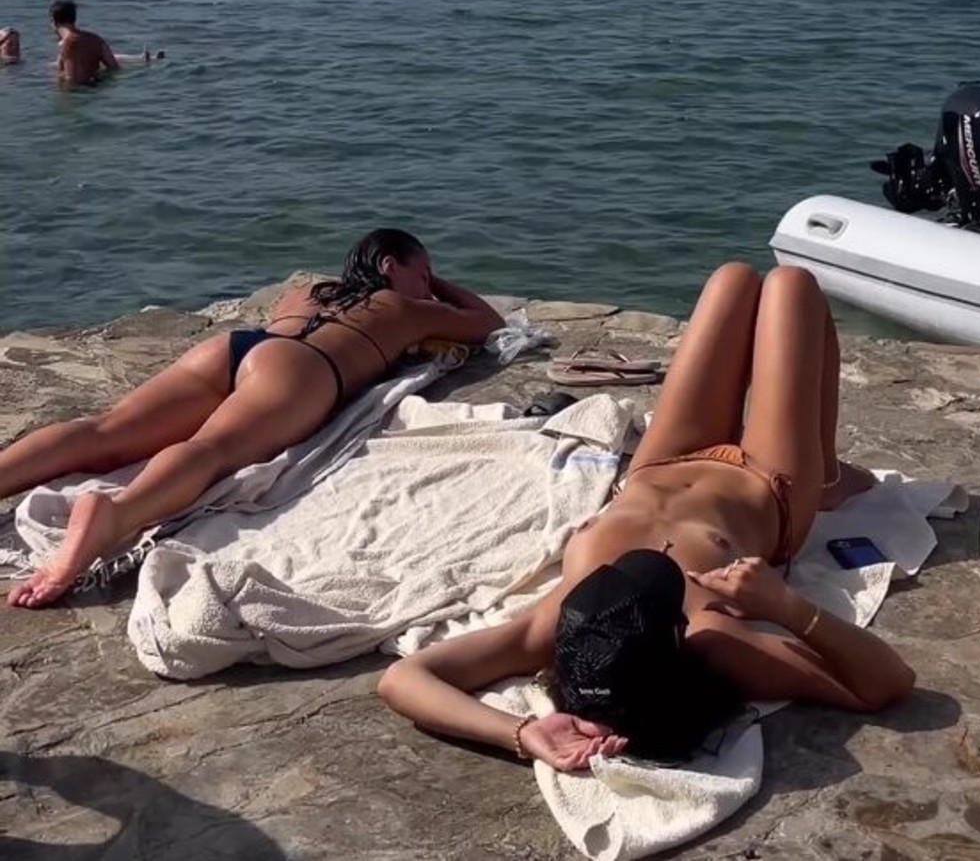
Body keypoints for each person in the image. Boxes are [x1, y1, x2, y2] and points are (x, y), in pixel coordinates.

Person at [378, 263, 914, 770]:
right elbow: (886, 683)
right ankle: (826, 478)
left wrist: (521, 732)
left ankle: (825, 471)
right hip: (767, 483)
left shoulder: (569, 622)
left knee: (731, 280)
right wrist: (787, 607)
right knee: (791, 285)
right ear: (673, 640)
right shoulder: (714, 635)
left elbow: (404, 678)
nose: (610, 593)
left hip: (659, 464)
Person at [3, 228, 503, 607]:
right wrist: (435, 288)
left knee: (104, 430)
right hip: (303, 370)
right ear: (391, 266)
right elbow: (487, 323)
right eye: (424, 273)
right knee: (210, 450)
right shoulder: (404, 307)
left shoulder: (309, 291)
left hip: (239, 348)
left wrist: (415, 279)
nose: (427, 287)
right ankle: (117, 513)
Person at [49, 0, 120, 86]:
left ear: (54, 22)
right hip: (98, 89)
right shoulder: (96, 39)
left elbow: (72, 80)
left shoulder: (67, 44)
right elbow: (114, 68)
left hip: (78, 91)